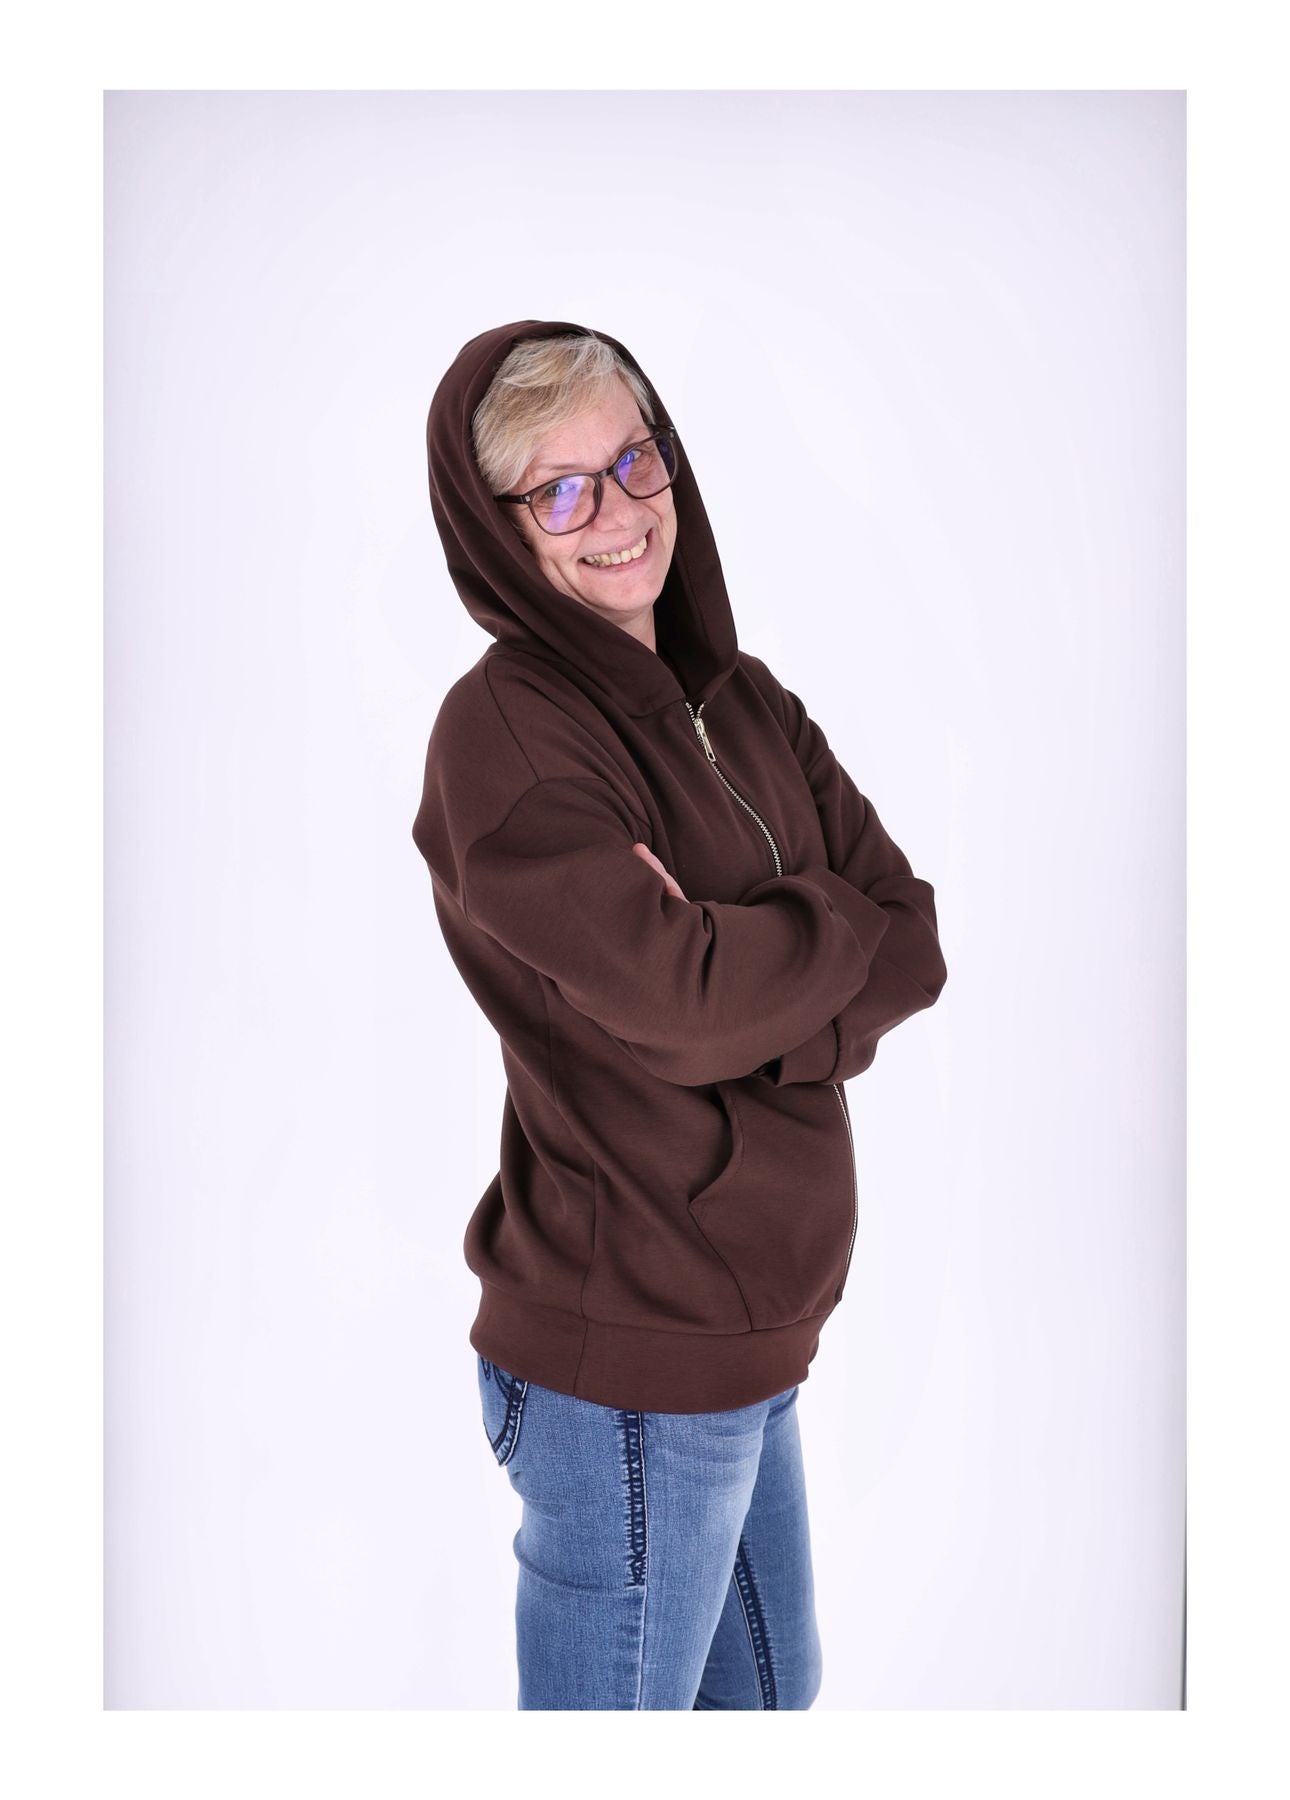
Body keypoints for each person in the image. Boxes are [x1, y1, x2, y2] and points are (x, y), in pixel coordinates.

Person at [412, 319, 948, 1709]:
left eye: (633, 461)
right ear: (497, 528)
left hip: (750, 1340)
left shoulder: (748, 702)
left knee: (766, 1703)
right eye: (559, 489)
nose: (618, 513)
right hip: (627, 1362)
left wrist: (754, 965)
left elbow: (911, 942)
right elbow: (690, 1005)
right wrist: (810, 939)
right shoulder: (508, 738)